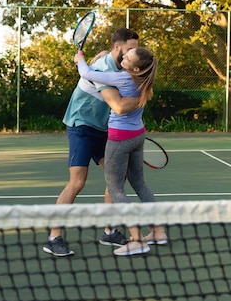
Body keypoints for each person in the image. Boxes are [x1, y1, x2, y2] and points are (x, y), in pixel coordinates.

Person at [43, 28, 140, 257]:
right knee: (77, 182)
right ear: (118, 47)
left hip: (101, 128)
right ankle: (53, 236)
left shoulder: (119, 67)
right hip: (81, 126)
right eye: (130, 49)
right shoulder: (101, 69)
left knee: (116, 176)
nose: (134, 52)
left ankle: (109, 230)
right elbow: (118, 104)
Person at [74, 47, 168, 256]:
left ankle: (136, 240)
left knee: (115, 188)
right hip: (138, 135)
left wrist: (80, 58)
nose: (122, 57)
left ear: (134, 68)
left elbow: (86, 74)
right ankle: (157, 232)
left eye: (127, 58)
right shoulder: (143, 80)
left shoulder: (124, 78)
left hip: (120, 138)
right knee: (140, 183)